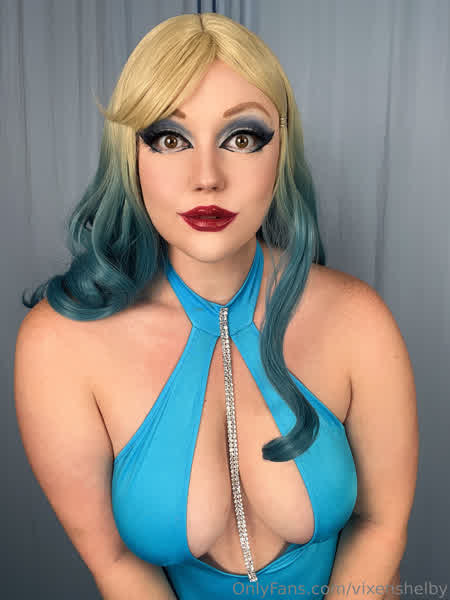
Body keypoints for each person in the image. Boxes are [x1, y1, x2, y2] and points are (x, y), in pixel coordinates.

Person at [14, 12, 418, 600]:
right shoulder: (59, 344)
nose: (206, 177)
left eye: (242, 138)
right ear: (130, 155)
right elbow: (114, 562)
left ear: (281, 153)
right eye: (170, 139)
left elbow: (381, 527)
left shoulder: (358, 320)